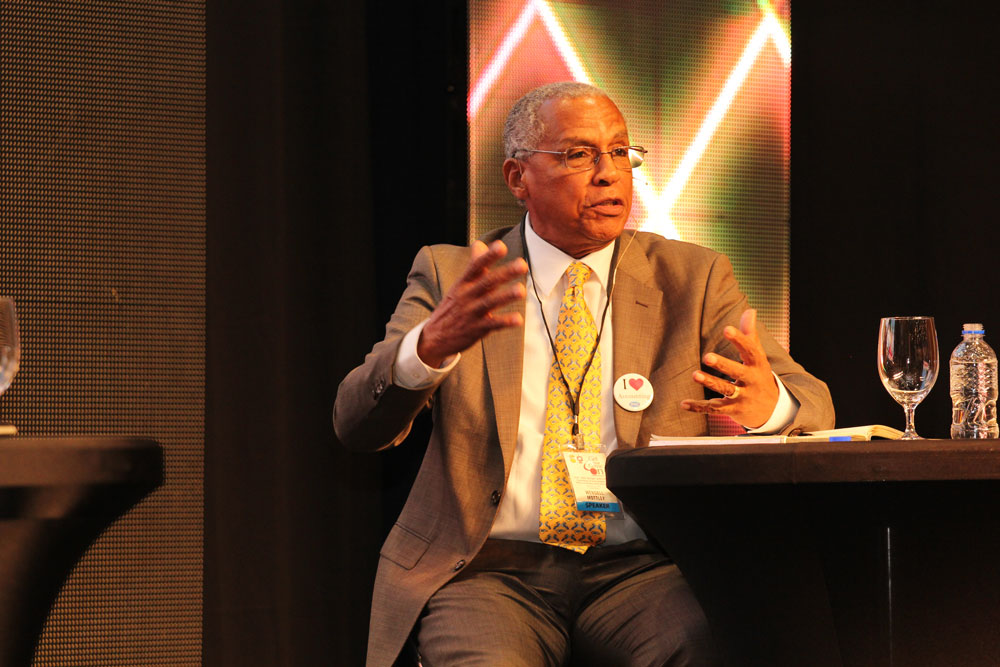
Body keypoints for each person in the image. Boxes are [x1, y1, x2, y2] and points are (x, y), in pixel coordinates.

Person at [334, 81, 835, 667]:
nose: (608, 174)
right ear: (518, 178)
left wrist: (769, 407)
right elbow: (355, 422)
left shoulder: (692, 278)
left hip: (643, 569)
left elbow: (813, 404)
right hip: (488, 570)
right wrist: (427, 348)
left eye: (620, 152)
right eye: (579, 155)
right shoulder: (454, 275)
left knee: (713, 649)